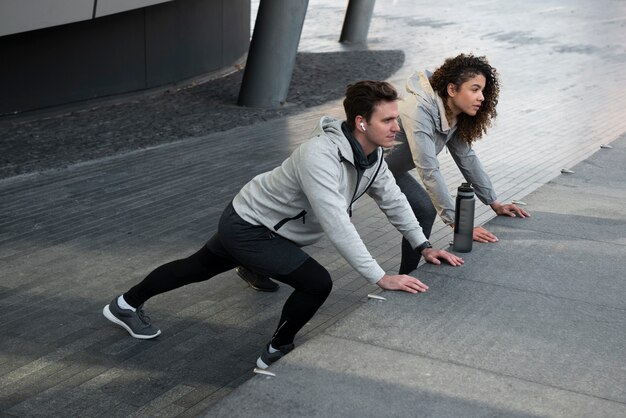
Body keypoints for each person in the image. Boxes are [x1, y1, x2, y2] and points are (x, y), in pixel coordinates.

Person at [102, 80, 464, 369]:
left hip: (257, 224)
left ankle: (125, 305)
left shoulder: (373, 158)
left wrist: (423, 245)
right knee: (316, 283)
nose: (396, 127)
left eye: (395, 118)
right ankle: (276, 349)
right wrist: (379, 276)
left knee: (196, 268)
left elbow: (394, 200)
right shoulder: (319, 156)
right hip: (250, 226)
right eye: (388, 120)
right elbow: (336, 222)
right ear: (361, 122)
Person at [385, 53, 530, 274]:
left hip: (388, 171)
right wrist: (459, 226)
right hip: (358, 167)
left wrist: (494, 202)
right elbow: (428, 169)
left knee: (424, 209)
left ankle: (407, 276)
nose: (481, 97)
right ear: (452, 90)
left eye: (482, 90)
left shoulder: (452, 113)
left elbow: (466, 157)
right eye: (474, 89)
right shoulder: (419, 110)